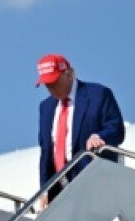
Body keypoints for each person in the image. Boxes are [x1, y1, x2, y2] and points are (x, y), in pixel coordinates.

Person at [36, 53, 125, 209]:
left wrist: (100, 136)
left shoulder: (98, 95)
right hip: (59, 189)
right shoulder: (46, 107)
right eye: (47, 85)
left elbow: (116, 128)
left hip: (93, 183)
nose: (51, 89)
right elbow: (46, 152)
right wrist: (45, 188)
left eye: (54, 82)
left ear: (70, 74)